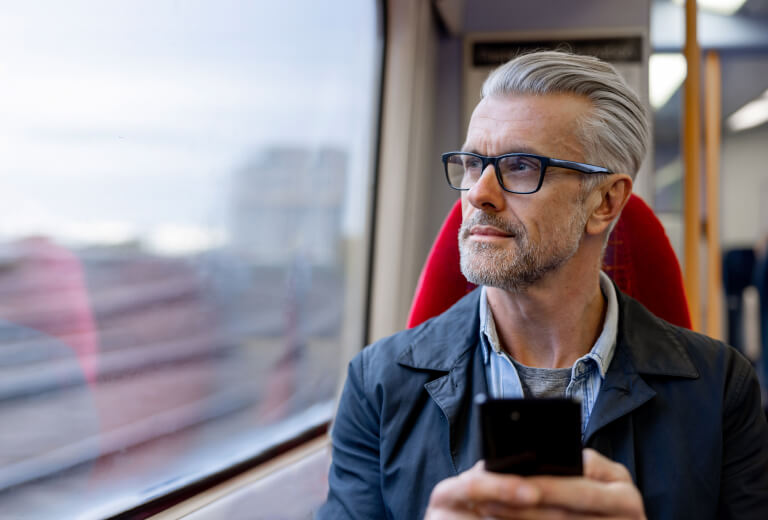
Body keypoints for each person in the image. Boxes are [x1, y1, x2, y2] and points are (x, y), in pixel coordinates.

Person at [317, 51, 768, 519]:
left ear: (605, 202)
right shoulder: (378, 385)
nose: (478, 194)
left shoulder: (721, 391)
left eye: (520, 166)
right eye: (472, 164)